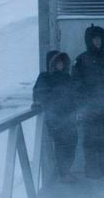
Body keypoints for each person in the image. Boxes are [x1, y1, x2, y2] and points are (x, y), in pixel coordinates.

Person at [72, 24, 104, 178]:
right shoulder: (81, 60)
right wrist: (81, 106)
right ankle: (91, 169)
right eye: (95, 39)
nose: (98, 42)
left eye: (100, 39)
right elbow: (75, 85)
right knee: (90, 139)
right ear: (89, 41)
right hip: (90, 108)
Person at [32, 51, 78, 183]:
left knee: (72, 143)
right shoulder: (45, 77)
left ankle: (66, 171)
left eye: (62, 61)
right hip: (55, 118)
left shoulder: (67, 77)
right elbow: (39, 92)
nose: (60, 64)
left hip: (69, 117)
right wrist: (38, 103)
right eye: (57, 61)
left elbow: (73, 96)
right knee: (62, 145)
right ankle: (63, 174)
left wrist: (76, 109)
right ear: (51, 63)